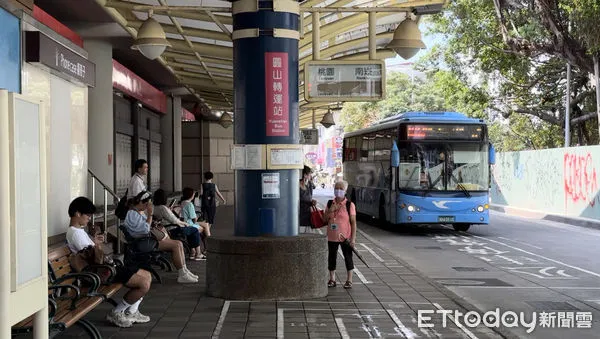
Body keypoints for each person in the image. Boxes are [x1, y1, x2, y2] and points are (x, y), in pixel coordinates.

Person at [66, 197, 152, 328]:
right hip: (99, 272)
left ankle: (131, 312)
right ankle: (116, 312)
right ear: (78, 213)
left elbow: (90, 252)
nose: (89, 218)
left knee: (147, 275)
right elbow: (93, 258)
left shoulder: (78, 231)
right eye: (88, 215)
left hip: (103, 268)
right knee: (144, 283)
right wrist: (97, 246)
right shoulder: (75, 233)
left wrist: (95, 242)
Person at [123, 191, 198, 283]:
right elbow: (145, 230)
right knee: (176, 245)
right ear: (143, 202)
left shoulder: (137, 212)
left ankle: (184, 271)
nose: (147, 207)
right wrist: (150, 215)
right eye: (147, 205)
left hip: (146, 240)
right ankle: (182, 274)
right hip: (142, 242)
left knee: (179, 243)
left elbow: (145, 227)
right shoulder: (132, 214)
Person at [153, 189, 208, 261]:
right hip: (173, 229)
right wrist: (185, 223)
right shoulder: (163, 208)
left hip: (167, 228)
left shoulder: (155, 207)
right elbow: (174, 220)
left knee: (191, 230)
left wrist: (169, 210)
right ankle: (198, 254)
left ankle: (192, 253)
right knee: (194, 230)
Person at [322, 181, 357, 289]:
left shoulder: (349, 205)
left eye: (341, 188)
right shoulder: (329, 203)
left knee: (348, 257)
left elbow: (353, 223)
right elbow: (324, 220)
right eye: (336, 188)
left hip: (345, 236)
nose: (338, 190)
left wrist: (353, 239)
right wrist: (330, 211)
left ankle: (349, 280)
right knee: (332, 257)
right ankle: (332, 279)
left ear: (345, 191)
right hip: (332, 236)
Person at [180, 187, 212, 257]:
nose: (194, 195)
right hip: (190, 223)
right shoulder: (189, 204)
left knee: (205, 225)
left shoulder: (183, 202)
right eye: (194, 194)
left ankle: (193, 250)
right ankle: (209, 246)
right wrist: (198, 215)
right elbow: (194, 220)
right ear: (191, 195)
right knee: (204, 227)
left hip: (186, 222)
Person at [299, 165, 317, 233]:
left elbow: (309, 199)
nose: (310, 176)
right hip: (299, 218)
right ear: (304, 175)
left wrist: (312, 202)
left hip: (308, 217)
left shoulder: (308, 185)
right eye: (309, 174)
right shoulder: (296, 186)